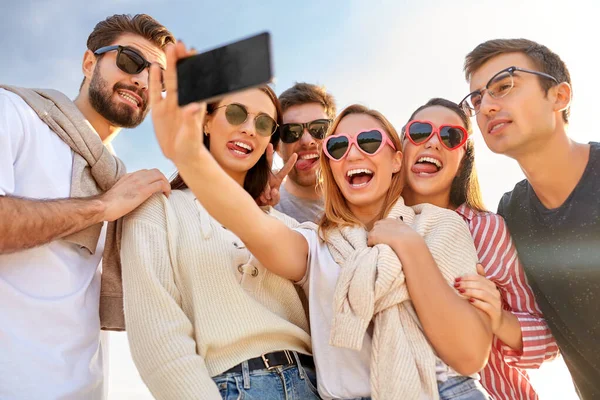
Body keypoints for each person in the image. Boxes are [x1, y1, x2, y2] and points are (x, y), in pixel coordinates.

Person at [148, 41, 493, 400]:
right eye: (339, 147)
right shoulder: (316, 243)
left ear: (396, 160)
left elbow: (468, 355)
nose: (353, 152)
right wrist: (189, 157)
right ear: (331, 166)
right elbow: (249, 223)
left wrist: (409, 245)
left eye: (370, 140)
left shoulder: (440, 225)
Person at [0, 14, 174, 400]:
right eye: (130, 61)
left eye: (157, 77)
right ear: (89, 62)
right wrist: (101, 207)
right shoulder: (14, 112)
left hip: (83, 389)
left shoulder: (122, 180)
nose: (142, 80)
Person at [121, 82, 319, 400]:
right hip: (232, 387)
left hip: (314, 385)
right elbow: (158, 338)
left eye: (264, 123)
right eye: (237, 113)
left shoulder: (288, 226)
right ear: (207, 120)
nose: (250, 129)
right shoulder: (158, 209)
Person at [461, 38, 600, 399]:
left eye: (504, 86)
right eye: (477, 99)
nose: (487, 106)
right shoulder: (512, 214)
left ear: (559, 96)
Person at [401, 97, 559, 399]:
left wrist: (500, 319)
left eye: (450, 136)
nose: (433, 142)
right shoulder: (378, 226)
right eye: (420, 131)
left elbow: (549, 339)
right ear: (402, 146)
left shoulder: (486, 229)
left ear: (464, 158)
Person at [270, 82, 336, 223]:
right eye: (291, 132)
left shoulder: (358, 199)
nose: (307, 141)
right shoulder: (265, 209)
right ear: (277, 147)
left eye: (320, 128)